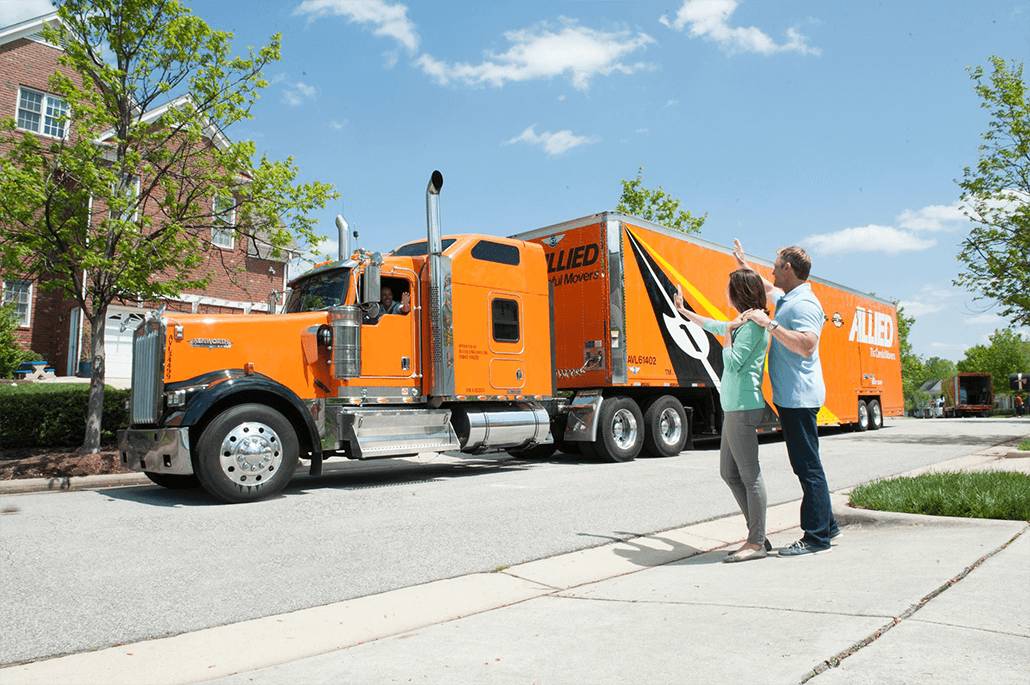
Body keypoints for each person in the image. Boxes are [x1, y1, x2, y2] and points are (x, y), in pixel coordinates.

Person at [733, 240, 840, 557]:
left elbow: (807, 344)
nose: (772, 269)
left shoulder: (804, 304)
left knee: (807, 468)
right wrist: (743, 263)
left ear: (789, 269)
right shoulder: (790, 297)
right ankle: (829, 525)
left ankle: (816, 536)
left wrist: (771, 324)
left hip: (800, 398)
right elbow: (766, 286)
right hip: (794, 396)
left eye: (776, 264)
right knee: (809, 464)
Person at [674, 270, 772, 562]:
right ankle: (758, 534)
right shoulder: (743, 322)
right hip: (735, 406)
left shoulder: (752, 326)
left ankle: (756, 543)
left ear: (739, 292)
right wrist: (683, 311)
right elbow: (715, 325)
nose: (726, 293)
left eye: (729, 288)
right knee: (729, 473)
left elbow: (733, 363)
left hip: (743, 406)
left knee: (749, 475)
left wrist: (728, 334)